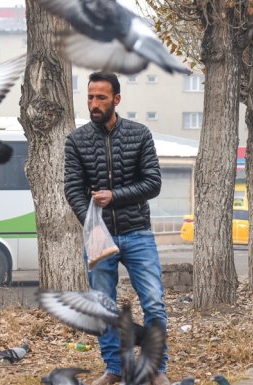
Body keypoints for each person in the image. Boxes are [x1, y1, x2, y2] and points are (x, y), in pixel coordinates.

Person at [64, 72, 169, 385]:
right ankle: (114, 369)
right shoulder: (77, 140)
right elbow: (73, 189)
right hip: (100, 238)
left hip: (137, 232)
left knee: (153, 303)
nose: (94, 104)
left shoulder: (139, 134)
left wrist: (115, 197)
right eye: (90, 97)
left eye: (101, 98)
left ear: (116, 100)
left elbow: (153, 183)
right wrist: (93, 226)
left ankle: (154, 368)